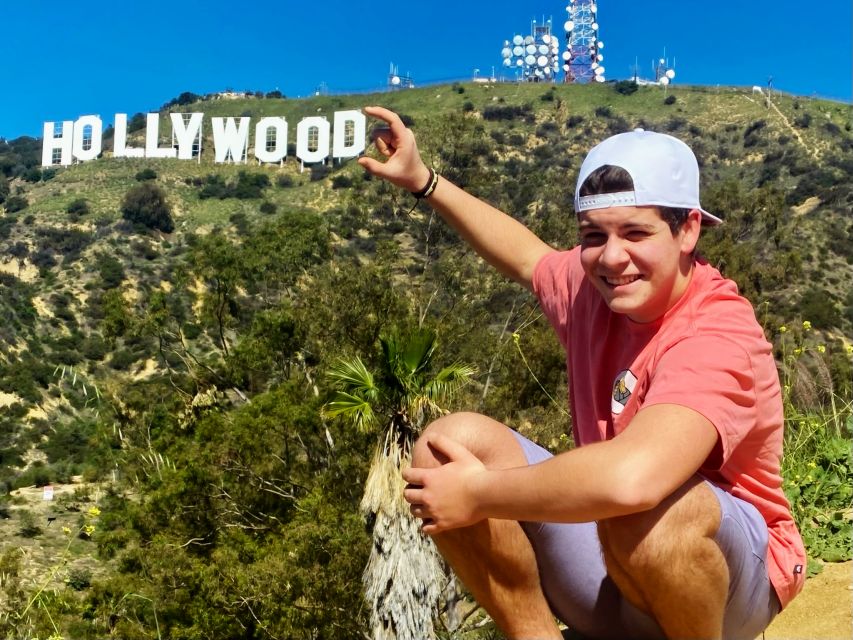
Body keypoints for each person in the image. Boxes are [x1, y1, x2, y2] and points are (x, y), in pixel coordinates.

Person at [357, 105, 805, 640]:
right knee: (448, 447)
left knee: (652, 512)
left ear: (687, 230)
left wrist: (478, 495)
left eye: (636, 233)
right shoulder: (596, 284)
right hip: (612, 568)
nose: (612, 257)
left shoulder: (716, 332)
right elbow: (527, 257)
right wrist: (424, 181)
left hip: (730, 586)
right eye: (593, 235)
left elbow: (633, 481)